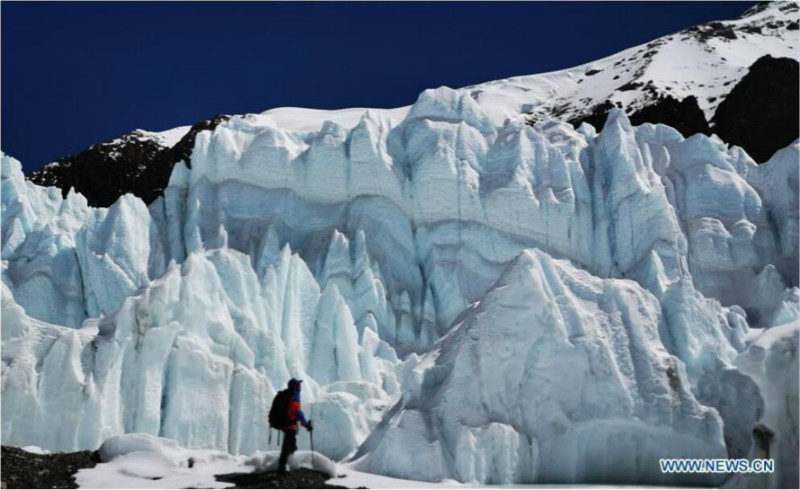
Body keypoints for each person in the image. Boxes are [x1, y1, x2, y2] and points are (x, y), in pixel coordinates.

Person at [278, 378, 313, 475]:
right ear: (295, 386)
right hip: (290, 426)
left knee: (292, 446)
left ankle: (288, 465)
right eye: (298, 385)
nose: (300, 387)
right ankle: (282, 469)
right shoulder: (294, 396)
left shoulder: (288, 396)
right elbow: (297, 412)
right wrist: (306, 424)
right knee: (287, 447)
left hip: (286, 425)